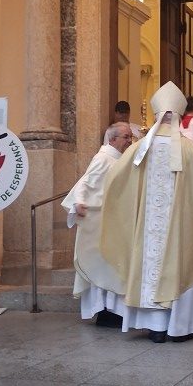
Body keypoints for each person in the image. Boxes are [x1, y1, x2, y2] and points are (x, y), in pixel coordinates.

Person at [100, 81, 193, 343]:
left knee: (149, 265)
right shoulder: (190, 149)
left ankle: (155, 326)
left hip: (147, 230)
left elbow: (115, 181)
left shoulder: (140, 148)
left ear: (157, 115)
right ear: (178, 115)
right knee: (182, 263)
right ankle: (178, 328)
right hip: (182, 228)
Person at [61, 123, 133, 326]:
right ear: (112, 139)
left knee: (111, 267)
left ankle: (112, 311)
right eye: (126, 137)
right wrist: (79, 202)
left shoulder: (118, 159)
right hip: (100, 224)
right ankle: (105, 312)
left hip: (113, 223)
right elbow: (86, 181)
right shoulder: (103, 158)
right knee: (104, 267)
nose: (129, 141)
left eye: (130, 137)